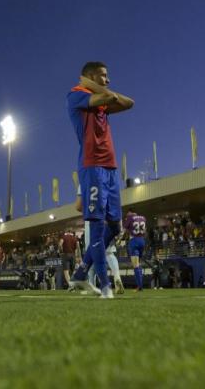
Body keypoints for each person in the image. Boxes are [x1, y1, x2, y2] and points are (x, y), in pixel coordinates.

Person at [67, 61, 134, 299]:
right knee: (96, 229)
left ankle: (80, 274)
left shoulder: (102, 98)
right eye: (104, 76)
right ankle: (106, 286)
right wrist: (93, 88)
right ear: (91, 77)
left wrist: (103, 91)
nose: (108, 80)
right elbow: (100, 100)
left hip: (111, 168)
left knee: (115, 226)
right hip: (92, 166)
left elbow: (129, 103)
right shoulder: (75, 95)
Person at [124, 209, 147, 291]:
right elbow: (145, 230)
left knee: (135, 265)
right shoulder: (143, 218)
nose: (127, 216)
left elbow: (125, 228)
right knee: (139, 263)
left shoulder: (130, 217)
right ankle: (140, 285)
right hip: (142, 240)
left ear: (130, 213)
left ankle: (139, 286)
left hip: (134, 241)